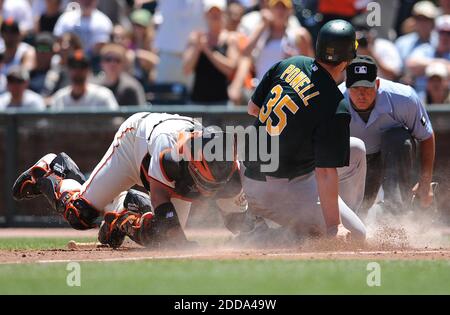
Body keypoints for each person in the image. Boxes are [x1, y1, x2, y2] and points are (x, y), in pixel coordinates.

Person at [12, 113, 258, 248]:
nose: (210, 190)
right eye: (206, 181)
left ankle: (123, 212)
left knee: (159, 238)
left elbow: (239, 222)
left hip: (160, 172)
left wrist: (271, 235)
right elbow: (160, 196)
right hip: (133, 146)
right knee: (80, 214)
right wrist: (181, 242)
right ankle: (51, 170)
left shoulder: (231, 173)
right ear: (193, 164)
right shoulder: (169, 152)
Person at [244, 20, 366, 241]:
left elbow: (253, 109)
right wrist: (334, 226)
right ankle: (261, 235)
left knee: (356, 148)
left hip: (252, 172)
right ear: (348, 61)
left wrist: (292, 128)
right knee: (357, 236)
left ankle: (338, 214)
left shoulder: (289, 63)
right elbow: (325, 172)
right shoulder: (335, 105)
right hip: (278, 190)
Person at [338, 55, 435, 214]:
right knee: (358, 213)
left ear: (377, 83)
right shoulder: (334, 101)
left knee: (397, 138)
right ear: (347, 86)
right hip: (356, 161)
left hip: (391, 154)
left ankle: (397, 212)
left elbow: (426, 136)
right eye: (355, 88)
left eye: (367, 88)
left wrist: (425, 182)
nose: (361, 94)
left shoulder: (404, 98)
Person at [183, 0, 239, 104]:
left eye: (218, 12)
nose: (215, 15)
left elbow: (230, 69)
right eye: (211, 12)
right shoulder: (195, 38)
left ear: (223, 14)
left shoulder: (231, 39)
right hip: (197, 102)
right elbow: (186, 69)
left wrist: (207, 50)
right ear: (205, 15)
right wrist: (197, 48)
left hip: (222, 103)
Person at [242, 0, 314, 81]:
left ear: (290, 11)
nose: (280, 11)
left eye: (284, 7)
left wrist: (296, 60)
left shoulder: (299, 35)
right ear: (269, 10)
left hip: (286, 90)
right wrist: (262, 25)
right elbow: (245, 53)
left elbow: (310, 68)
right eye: (277, 7)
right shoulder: (261, 32)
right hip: (262, 88)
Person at [51, 50, 119, 109]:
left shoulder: (103, 95)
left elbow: (117, 121)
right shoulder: (60, 97)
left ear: (89, 70)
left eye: (82, 66)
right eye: (74, 66)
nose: (77, 70)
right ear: (68, 70)